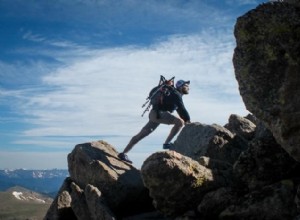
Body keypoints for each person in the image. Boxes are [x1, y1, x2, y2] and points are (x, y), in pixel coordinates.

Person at [118, 79, 191, 163]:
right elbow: (182, 110)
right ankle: (167, 143)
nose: (188, 88)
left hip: (154, 114)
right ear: (181, 87)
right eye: (186, 86)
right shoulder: (176, 94)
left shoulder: (175, 94)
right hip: (159, 114)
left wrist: (185, 119)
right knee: (180, 122)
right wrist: (188, 121)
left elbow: (180, 110)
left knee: (141, 134)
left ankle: (123, 153)